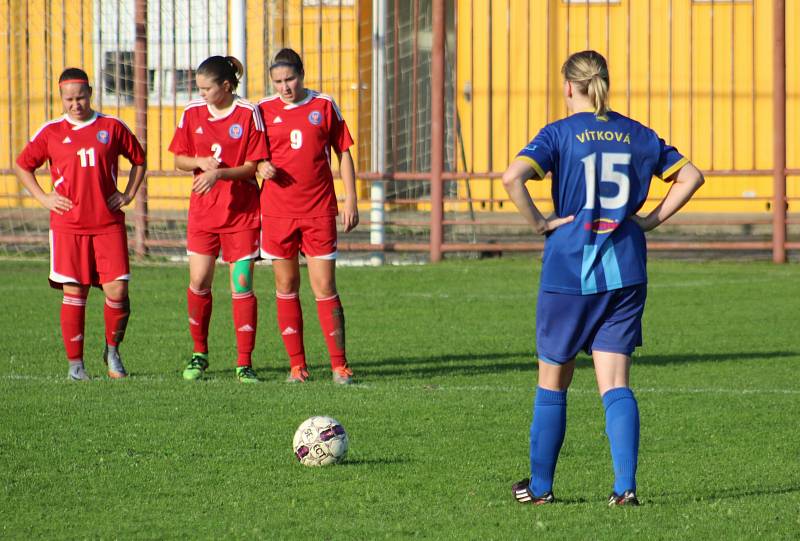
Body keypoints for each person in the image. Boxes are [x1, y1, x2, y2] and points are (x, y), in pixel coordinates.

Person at [502, 50, 704, 506]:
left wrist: (538, 223)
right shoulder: (638, 134)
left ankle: (540, 488)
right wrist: (650, 219)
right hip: (625, 268)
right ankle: (624, 489)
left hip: (570, 268)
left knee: (553, 379)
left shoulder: (557, 133)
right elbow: (691, 176)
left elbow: (513, 176)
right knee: (615, 382)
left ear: (568, 87)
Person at [15, 67, 147, 381]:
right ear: (61, 98)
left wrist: (127, 193)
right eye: (69, 99)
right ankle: (76, 365)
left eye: (81, 97)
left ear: (91, 93)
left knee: (118, 290)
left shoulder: (111, 126)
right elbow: (22, 166)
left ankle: (113, 351)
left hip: (107, 224)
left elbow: (139, 159)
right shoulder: (50, 132)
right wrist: (44, 198)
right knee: (75, 293)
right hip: (68, 227)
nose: (76, 104)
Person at [257, 48, 359, 385]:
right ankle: (297, 366)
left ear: (302, 74)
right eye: (278, 81)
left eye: (290, 79)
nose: (285, 87)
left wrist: (351, 199)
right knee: (286, 285)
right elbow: (249, 156)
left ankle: (339, 365)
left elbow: (343, 152)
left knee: (324, 285)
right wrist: (260, 165)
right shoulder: (262, 110)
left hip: (318, 210)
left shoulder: (324, 105)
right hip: (277, 212)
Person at [168, 56, 269, 383]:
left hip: (241, 213)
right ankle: (199, 354)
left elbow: (254, 165)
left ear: (226, 86)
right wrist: (198, 161)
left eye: (206, 88)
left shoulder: (248, 113)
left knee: (241, 285)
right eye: (198, 88)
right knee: (198, 282)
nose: (202, 94)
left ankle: (244, 363)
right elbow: (179, 160)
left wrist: (220, 173)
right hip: (203, 214)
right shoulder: (192, 113)